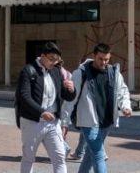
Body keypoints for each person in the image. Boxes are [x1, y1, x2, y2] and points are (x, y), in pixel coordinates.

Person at [62, 43, 131, 173]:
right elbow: (71, 99)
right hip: (88, 121)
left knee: (89, 154)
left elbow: (122, 91)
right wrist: (64, 122)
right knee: (99, 155)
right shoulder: (81, 73)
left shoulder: (113, 72)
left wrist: (125, 106)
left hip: (106, 121)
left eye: (106, 59)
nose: (103, 62)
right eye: (100, 59)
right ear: (94, 56)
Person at [15, 41, 76, 173]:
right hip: (33, 122)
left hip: (53, 122)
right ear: (42, 56)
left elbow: (66, 96)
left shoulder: (56, 71)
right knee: (28, 158)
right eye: (51, 59)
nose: (54, 62)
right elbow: (24, 96)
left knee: (59, 157)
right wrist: (41, 112)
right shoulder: (29, 70)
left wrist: (71, 90)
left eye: (57, 60)